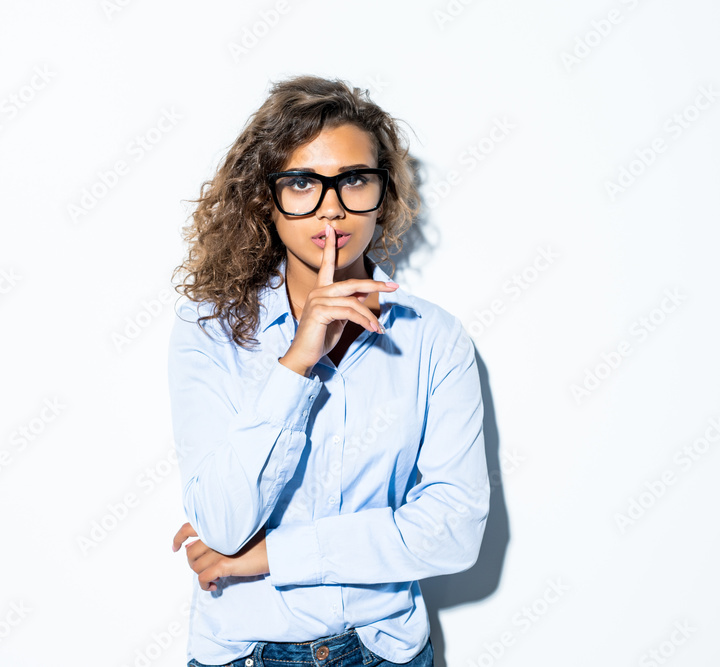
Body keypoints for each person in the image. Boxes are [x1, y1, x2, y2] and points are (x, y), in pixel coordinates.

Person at [166, 74, 490, 667]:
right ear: (266, 198)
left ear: (383, 192)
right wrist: (296, 363)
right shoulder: (208, 330)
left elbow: (453, 529)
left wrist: (269, 557)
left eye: (354, 179)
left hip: (383, 651)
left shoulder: (432, 339)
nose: (333, 207)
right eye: (301, 183)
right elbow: (220, 521)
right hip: (243, 653)